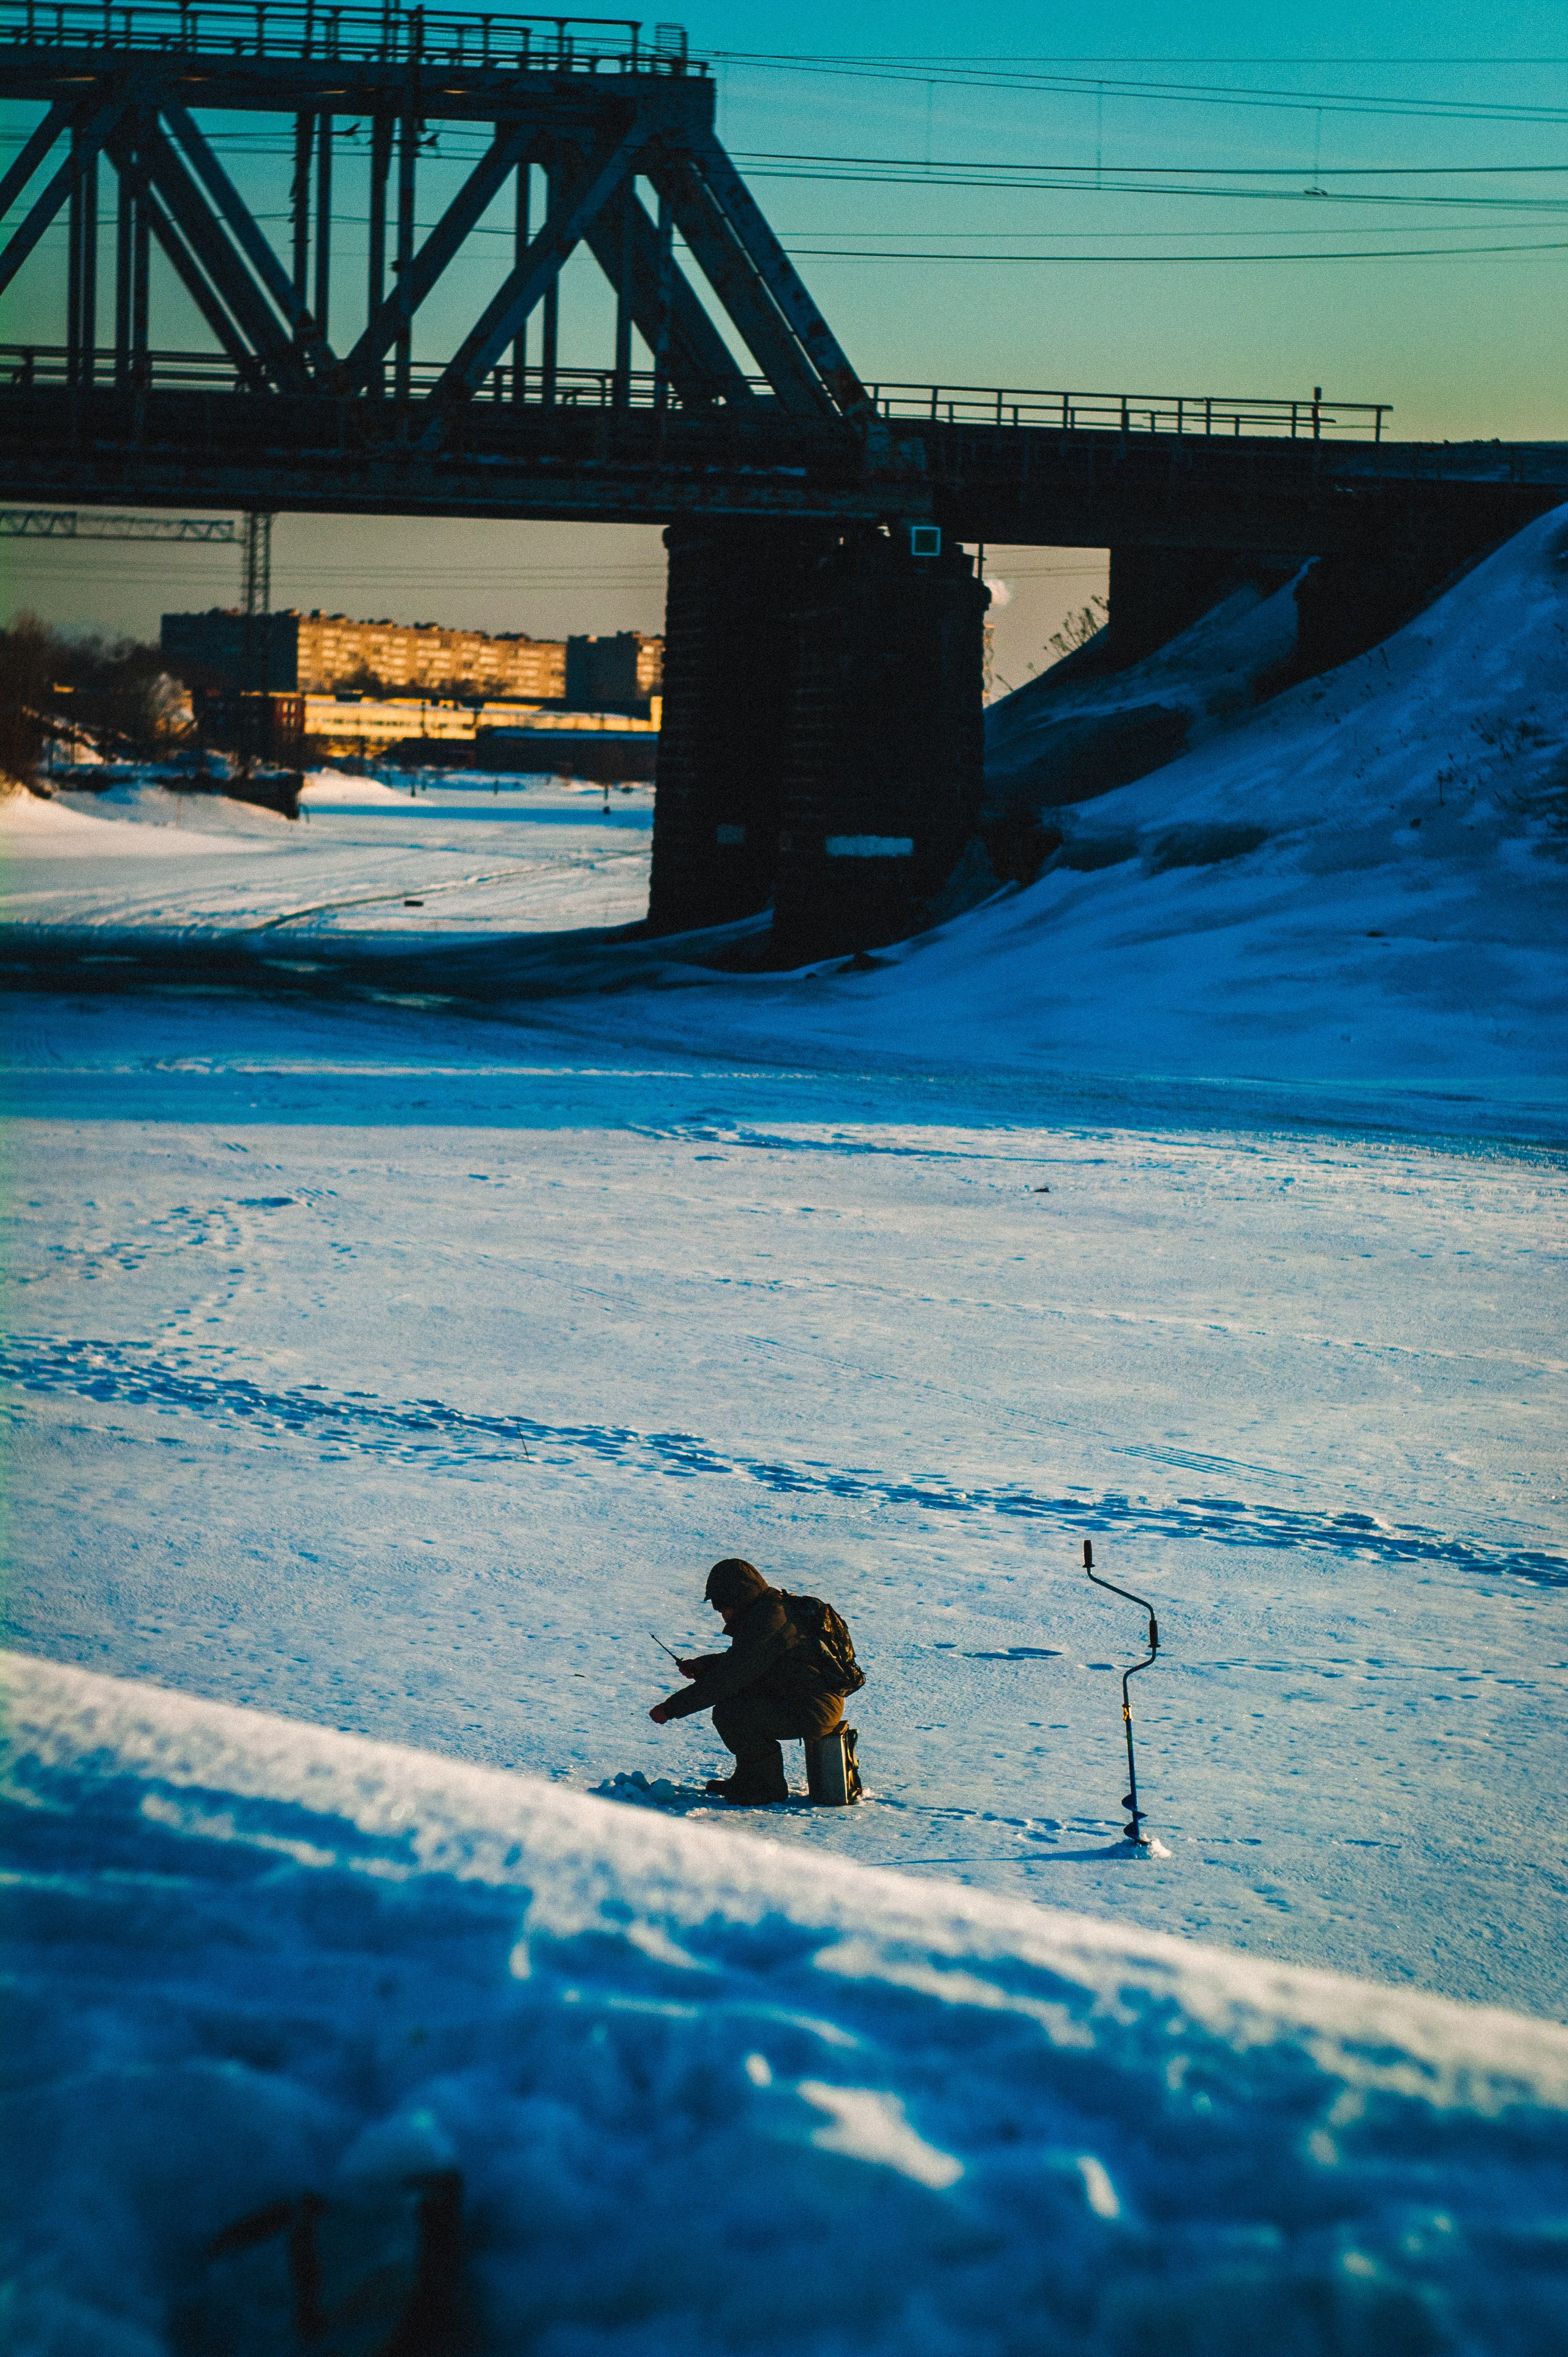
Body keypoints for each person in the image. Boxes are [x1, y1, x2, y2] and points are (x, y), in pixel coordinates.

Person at [648, 1557, 850, 1805]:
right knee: (737, 1706)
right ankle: (749, 1779)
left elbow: (729, 1679)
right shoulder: (771, 1610)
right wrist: (705, 1665)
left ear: (738, 1597)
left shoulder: (767, 1622)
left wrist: (670, 1709)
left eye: (721, 1606)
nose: (722, 1614)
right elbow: (752, 1661)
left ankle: (765, 1788)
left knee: (733, 1713)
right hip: (806, 1699)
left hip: (812, 1708)